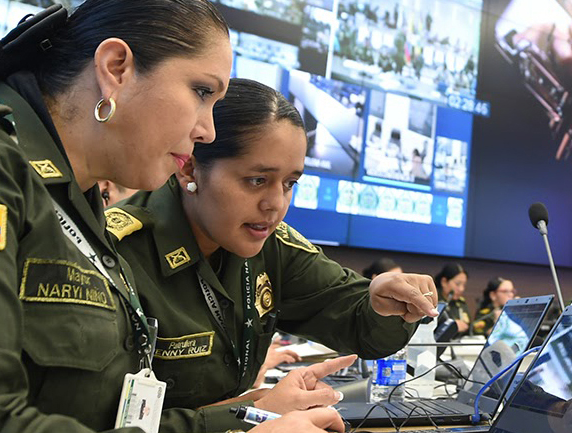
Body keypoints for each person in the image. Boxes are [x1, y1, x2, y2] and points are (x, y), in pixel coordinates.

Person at [0, 2, 345, 432]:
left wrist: (245, 417)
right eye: (201, 92)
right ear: (116, 67)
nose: (207, 131)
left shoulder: (78, 200)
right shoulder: (7, 169)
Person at [107, 78, 439, 419]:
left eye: (290, 183)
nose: (276, 204)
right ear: (190, 168)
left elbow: (361, 325)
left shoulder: (272, 246)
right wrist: (250, 414)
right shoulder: (114, 252)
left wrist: (383, 303)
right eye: (257, 180)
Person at [434, 263, 471, 337]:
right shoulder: (433, 300)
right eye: (457, 284)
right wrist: (452, 326)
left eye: (464, 285)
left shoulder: (461, 303)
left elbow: (469, 327)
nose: (461, 289)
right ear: (444, 282)